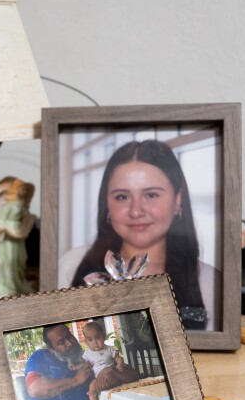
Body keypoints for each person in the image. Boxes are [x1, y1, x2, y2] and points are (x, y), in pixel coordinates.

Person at [67, 140, 220, 330]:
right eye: (122, 197)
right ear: (107, 204)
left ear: (178, 200)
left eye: (151, 195)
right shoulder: (70, 265)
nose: (136, 211)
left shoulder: (212, 285)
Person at [23, 323, 94, 400]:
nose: (69, 343)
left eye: (69, 336)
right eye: (61, 342)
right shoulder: (40, 357)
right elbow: (35, 389)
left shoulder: (86, 357)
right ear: (51, 348)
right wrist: (75, 380)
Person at [80, 321, 142, 400]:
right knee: (92, 388)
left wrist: (119, 363)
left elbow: (118, 358)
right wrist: (77, 367)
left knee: (115, 382)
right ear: (86, 341)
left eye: (98, 338)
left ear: (104, 336)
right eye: (90, 340)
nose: (95, 342)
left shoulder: (109, 349)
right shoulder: (87, 353)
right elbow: (84, 365)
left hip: (112, 375)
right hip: (97, 378)